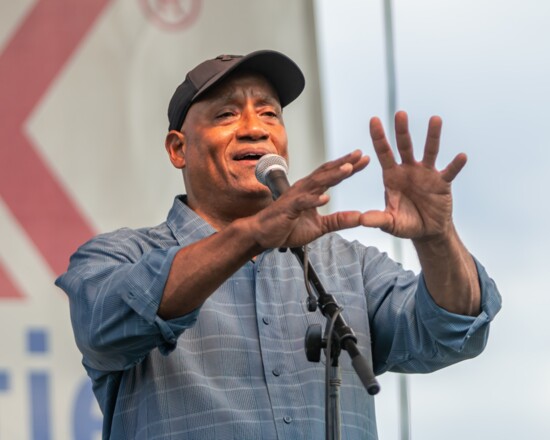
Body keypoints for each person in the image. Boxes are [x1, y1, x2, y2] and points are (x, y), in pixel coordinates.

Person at [56, 50, 501, 440]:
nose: (255, 129)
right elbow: (106, 328)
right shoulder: (118, 256)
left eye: (269, 114)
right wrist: (254, 232)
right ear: (178, 149)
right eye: (227, 115)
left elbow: (451, 332)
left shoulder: (347, 265)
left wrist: (437, 237)